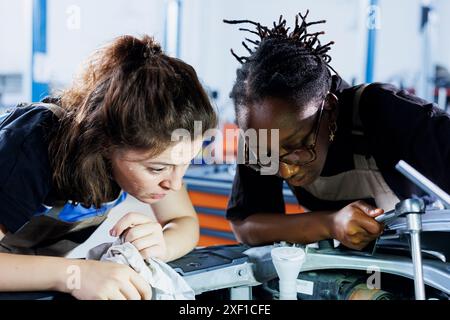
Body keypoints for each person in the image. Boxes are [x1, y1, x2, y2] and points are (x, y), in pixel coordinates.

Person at [0, 35, 217, 299]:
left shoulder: (163, 155)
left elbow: (183, 221)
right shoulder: (29, 149)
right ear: (105, 142)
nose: (173, 183)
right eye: (157, 169)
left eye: (186, 162)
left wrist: (162, 244)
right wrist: (76, 275)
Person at [224, 12, 450, 250]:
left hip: (422, 271)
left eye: (298, 146)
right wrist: (329, 224)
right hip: (347, 278)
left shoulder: (385, 113)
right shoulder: (261, 136)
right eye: (267, 156)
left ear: (329, 109)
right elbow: (245, 224)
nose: (285, 171)